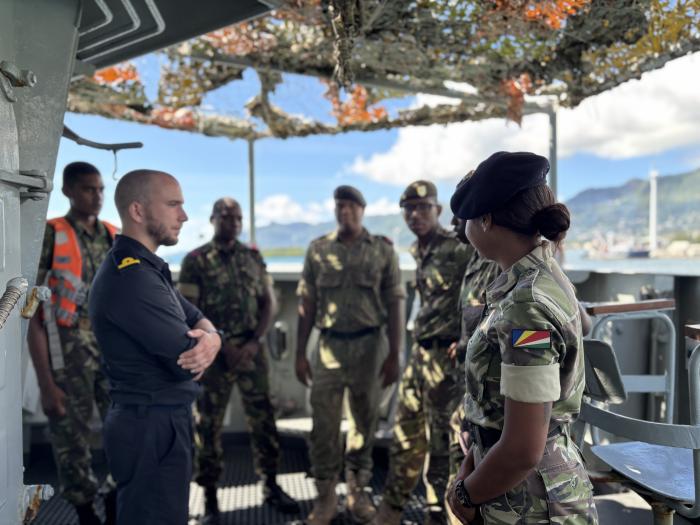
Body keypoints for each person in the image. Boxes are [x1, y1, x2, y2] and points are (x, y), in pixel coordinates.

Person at [445, 152, 598, 524]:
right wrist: (476, 458)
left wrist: (465, 494)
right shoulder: (542, 275)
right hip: (521, 489)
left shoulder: (526, 306)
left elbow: (523, 448)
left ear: (485, 219)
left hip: (532, 505)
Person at [89, 170, 222, 525]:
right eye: (173, 204)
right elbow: (186, 360)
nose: (185, 215)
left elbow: (196, 315)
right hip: (150, 424)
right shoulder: (131, 278)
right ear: (138, 211)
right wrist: (208, 341)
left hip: (159, 418)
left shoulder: (147, 269)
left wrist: (213, 337)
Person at [177, 198, 299, 522]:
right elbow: (190, 311)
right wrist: (222, 344)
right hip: (213, 355)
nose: (232, 222)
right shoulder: (196, 260)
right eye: (226, 216)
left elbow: (269, 303)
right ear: (213, 218)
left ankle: (271, 486)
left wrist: (255, 340)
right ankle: (210, 497)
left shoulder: (253, 258)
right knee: (208, 424)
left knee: (264, 420)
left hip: (251, 352)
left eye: (238, 218)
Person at [295, 185, 406, 525]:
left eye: (351, 206)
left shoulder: (382, 251)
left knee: (364, 421)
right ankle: (326, 497)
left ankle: (358, 492)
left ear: (362, 209)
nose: (345, 211)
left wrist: (394, 354)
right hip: (328, 345)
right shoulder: (317, 250)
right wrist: (300, 354)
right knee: (323, 423)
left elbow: (395, 301)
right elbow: (307, 304)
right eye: (340, 206)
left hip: (370, 347)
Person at [373, 181, 471, 525]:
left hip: (447, 357)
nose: (415, 215)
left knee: (442, 442)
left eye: (423, 208)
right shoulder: (418, 251)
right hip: (420, 353)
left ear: (438, 211)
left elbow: (477, 295)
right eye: (409, 209)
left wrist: (464, 339)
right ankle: (392, 509)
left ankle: (439, 514)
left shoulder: (458, 249)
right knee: (404, 433)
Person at [27, 162, 118, 525]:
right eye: (87, 189)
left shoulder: (113, 236)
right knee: (70, 433)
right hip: (67, 345)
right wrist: (47, 384)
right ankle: (84, 511)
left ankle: (115, 497)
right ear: (68, 191)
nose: (96, 197)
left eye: (99, 190)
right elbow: (32, 311)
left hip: (111, 346)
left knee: (123, 426)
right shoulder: (51, 234)